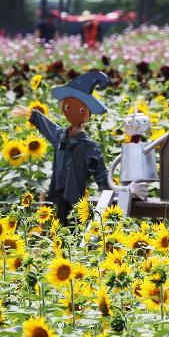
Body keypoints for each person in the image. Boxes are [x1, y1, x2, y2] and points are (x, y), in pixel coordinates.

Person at [11, 72, 110, 223]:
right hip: (56, 196)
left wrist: (110, 196)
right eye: (69, 106)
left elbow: (101, 175)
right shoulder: (61, 136)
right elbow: (48, 126)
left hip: (75, 200)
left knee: (72, 230)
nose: (73, 112)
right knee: (56, 230)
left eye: (81, 109)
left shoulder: (88, 145)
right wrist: (32, 115)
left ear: (87, 114)